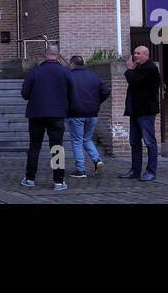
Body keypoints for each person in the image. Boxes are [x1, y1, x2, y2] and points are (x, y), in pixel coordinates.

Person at [19, 44, 75, 191]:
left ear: (45, 55)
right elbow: (72, 93)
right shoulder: (65, 72)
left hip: (36, 114)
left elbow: (24, 94)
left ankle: (30, 178)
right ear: (58, 55)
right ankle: (58, 181)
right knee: (56, 147)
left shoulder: (34, 72)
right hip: (57, 115)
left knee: (34, 146)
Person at [119, 45, 161, 182]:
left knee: (149, 142)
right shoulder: (139, 68)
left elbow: (134, 81)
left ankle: (151, 171)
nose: (135, 55)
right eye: (134, 53)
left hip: (146, 112)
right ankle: (135, 170)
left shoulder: (150, 69)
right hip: (135, 111)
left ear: (145, 55)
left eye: (138, 53)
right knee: (134, 141)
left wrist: (129, 69)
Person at [66, 55, 110, 177]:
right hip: (92, 114)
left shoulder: (69, 76)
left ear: (72, 64)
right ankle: (97, 160)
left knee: (77, 141)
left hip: (75, 113)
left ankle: (81, 169)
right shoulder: (94, 76)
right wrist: (96, 102)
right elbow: (106, 91)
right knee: (87, 139)